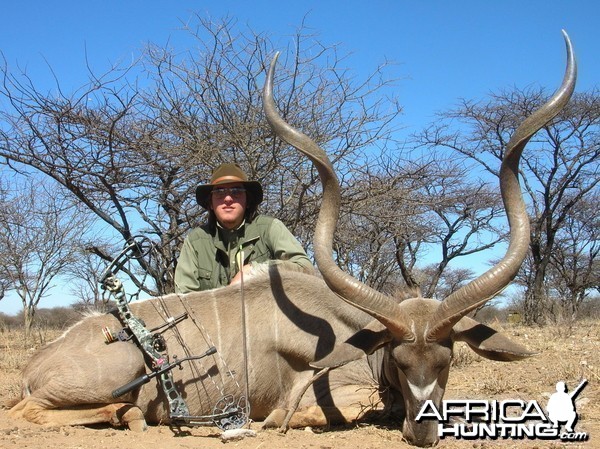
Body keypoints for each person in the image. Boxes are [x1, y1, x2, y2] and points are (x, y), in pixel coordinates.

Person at [175, 163, 314, 293]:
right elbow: (184, 299)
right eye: (219, 192)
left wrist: (254, 270)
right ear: (210, 203)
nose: (228, 198)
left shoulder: (270, 228)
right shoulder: (195, 241)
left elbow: (304, 268)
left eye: (236, 191)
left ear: (247, 201)